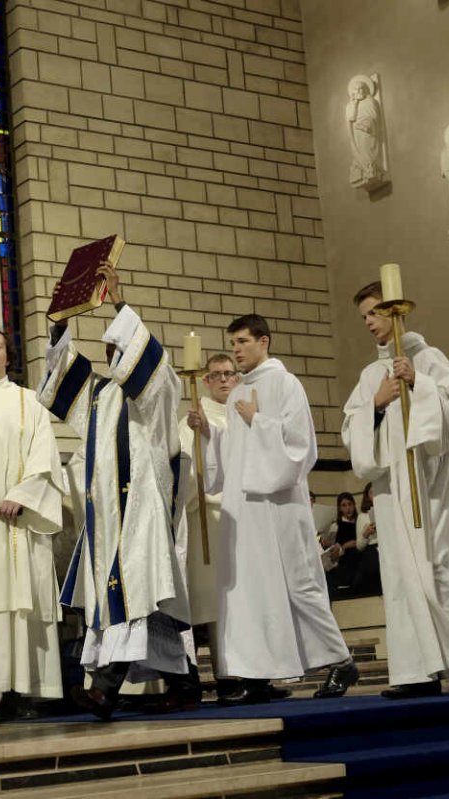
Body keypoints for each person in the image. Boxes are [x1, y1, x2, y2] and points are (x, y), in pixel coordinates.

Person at [38, 264, 195, 720]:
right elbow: (62, 383)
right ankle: (187, 685)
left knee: (135, 592)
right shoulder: (102, 396)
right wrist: (61, 325)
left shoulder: (160, 388)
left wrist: (120, 302)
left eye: (119, 344)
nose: (111, 351)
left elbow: (150, 364)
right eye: (108, 346)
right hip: (109, 517)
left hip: (142, 509)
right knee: (151, 598)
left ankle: (106, 690)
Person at [342, 283, 449, 699]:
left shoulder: (429, 358)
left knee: (426, 570)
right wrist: (375, 405)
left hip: (426, 483)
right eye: (364, 317)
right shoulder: (369, 375)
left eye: (375, 312)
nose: (369, 323)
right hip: (389, 488)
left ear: (397, 312)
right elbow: (350, 432)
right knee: (400, 579)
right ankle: (417, 672)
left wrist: (418, 384)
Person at [189, 314, 358, 705]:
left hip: (280, 504)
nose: (236, 350)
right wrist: (210, 435)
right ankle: (258, 674)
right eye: (233, 343)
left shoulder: (285, 384)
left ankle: (341, 659)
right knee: (252, 591)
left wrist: (257, 420)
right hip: (245, 508)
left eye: (243, 342)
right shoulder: (235, 395)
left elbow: (301, 447)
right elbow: (231, 458)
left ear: (264, 341)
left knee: (299, 585)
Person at [0, 327, 68, 719]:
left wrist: (20, 497)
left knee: (20, 605)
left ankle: (21, 691)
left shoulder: (30, 402)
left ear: (8, 357)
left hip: (17, 523)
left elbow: (44, 458)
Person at [177, 354, 238, 693]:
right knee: (217, 604)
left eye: (230, 374)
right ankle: (227, 675)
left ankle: (257, 675)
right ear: (205, 381)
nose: (224, 380)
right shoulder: (192, 419)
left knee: (246, 601)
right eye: (216, 375)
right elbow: (185, 470)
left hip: (245, 519)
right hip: (210, 520)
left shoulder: (246, 412)